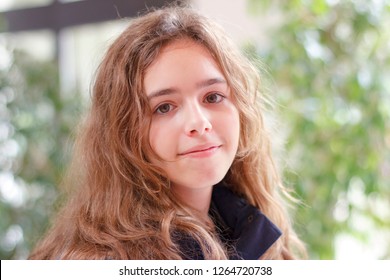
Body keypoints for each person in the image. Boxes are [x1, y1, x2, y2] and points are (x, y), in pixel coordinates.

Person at [29, 5, 306, 260]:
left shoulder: (251, 227)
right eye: (164, 108)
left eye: (212, 97)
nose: (199, 123)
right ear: (125, 133)